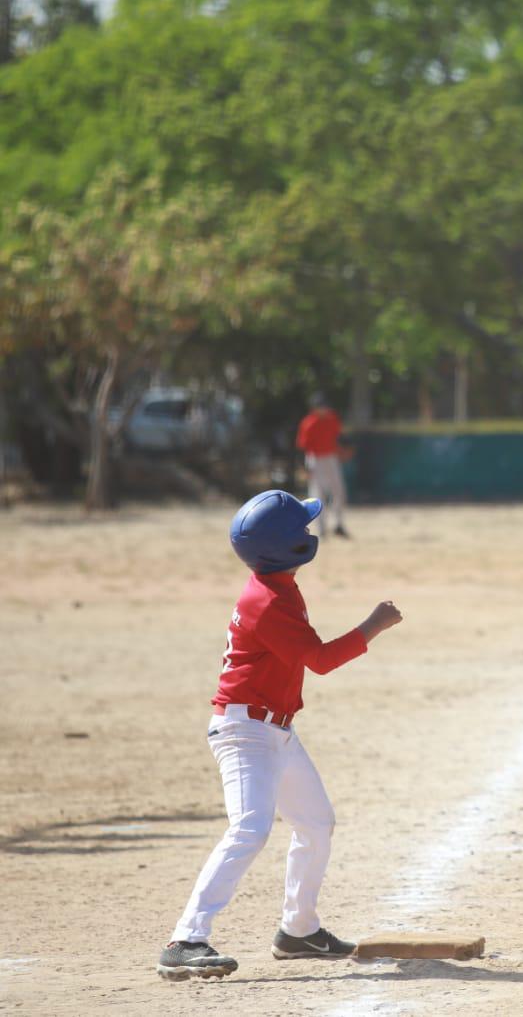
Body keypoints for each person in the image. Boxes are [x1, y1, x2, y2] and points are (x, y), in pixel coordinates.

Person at [156, 490, 403, 981]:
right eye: (302, 528)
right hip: (245, 731)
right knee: (250, 828)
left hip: (275, 730)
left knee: (315, 823)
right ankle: (186, 938)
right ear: (288, 547)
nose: (310, 531)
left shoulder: (276, 584)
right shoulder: (268, 600)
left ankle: (298, 930)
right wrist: (373, 625)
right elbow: (322, 660)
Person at [295, 396, 350, 538]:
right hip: (315, 459)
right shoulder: (309, 423)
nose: (324, 409)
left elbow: (339, 437)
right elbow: (303, 447)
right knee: (318, 495)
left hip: (331, 458)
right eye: (321, 406)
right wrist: (305, 467)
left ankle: (338, 524)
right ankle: (321, 530)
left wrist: (345, 449)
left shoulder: (332, 419)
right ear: (314, 408)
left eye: (325, 406)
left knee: (339, 491)